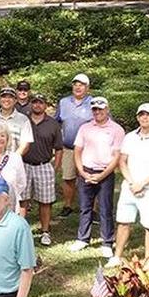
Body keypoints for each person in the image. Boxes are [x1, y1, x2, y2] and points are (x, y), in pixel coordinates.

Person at [112, 102, 149, 266]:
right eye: (141, 114)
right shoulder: (130, 137)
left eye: (148, 114)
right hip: (129, 187)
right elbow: (122, 162)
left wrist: (142, 184)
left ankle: (148, 260)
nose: (144, 117)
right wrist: (132, 183)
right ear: (138, 117)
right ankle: (117, 256)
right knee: (123, 222)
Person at [69, 96, 124, 259]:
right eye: (95, 109)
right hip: (86, 171)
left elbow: (116, 157)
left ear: (107, 109)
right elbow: (77, 151)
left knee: (105, 208)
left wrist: (101, 176)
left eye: (101, 109)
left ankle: (107, 242)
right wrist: (82, 172)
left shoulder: (116, 129)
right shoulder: (85, 128)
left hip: (105, 173)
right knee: (85, 207)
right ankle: (82, 238)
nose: (98, 112)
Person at [24, 93, 63, 246]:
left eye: (40, 102)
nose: (37, 105)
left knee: (45, 201)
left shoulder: (53, 124)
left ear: (45, 105)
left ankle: (45, 231)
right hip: (24, 164)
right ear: (30, 104)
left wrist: (56, 167)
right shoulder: (23, 120)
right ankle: (22, 231)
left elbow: (59, 148)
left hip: (44, 165)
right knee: (22, 200)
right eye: (34, 102)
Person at [56, 73, 94, 217]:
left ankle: (91, 208)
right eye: (75, 84)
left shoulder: (94, 102)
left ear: (87, 88)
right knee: (68, 177)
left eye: (82, 85)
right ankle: (68, 205)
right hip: (68, 147)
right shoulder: (64, 102)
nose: (78, 87)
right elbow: (56, 121)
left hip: (89, 149)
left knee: (89, 178)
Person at [0, 123, 27, 211]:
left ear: (7, 139)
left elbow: (22, 183)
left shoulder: (15, 158)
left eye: (2, 136)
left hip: (10, 203)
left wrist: (10, 194)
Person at [0, 87, 34, 156]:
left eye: (10, 97)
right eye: (4, 97)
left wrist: (13, 160)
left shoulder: (24, 120)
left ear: (15, 100)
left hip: (13, 162)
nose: (7, 100)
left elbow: (25, 145)